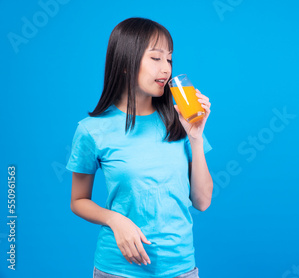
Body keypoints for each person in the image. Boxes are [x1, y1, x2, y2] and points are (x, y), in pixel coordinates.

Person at [66, 17, 213, 278]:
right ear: (125, 62)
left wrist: (196, 137)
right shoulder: (92, 130)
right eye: (156, 58)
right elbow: (78, 201)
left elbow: (202, 202)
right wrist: (115, 219)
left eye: (169, 59)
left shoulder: (180, 121)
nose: (166, 68)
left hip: (181, 268)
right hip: (118, 269)